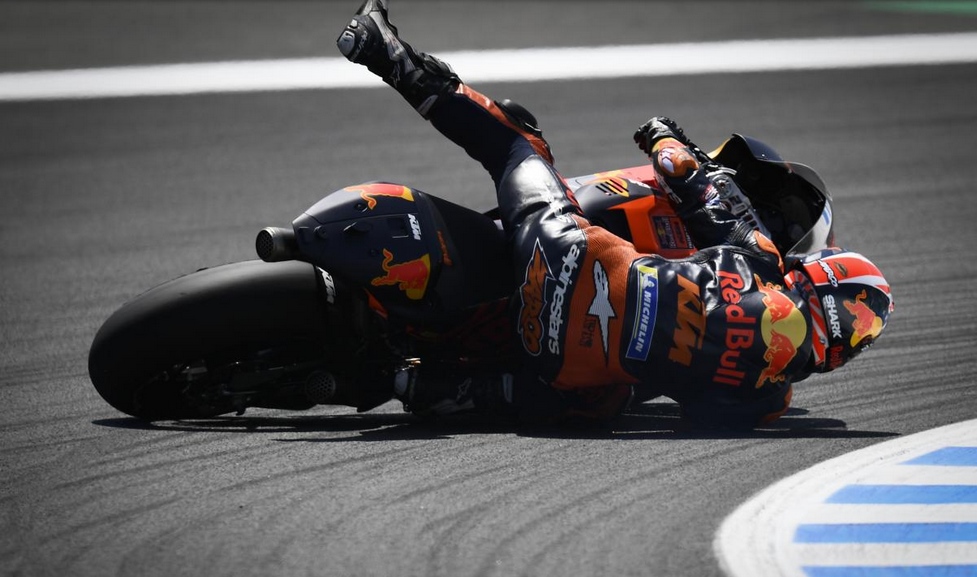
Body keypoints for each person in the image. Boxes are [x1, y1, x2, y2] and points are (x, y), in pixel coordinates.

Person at [336, 0, 894, 429]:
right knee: (601, 401)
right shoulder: (767, 401)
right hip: (556, 359)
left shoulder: (760, 259)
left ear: (815, 276)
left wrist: (663, 137)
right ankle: (429, 387)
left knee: (516, 147)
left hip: (564, 258)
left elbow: (685, 173)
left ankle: (387, 55)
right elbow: (695, 415)